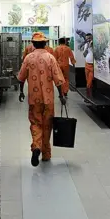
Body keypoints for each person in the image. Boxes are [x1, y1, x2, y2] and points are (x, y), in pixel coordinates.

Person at [17, 32, 66, 167]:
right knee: (47, 125)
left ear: (33, 44)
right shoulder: (50, 58)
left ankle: (36, 147)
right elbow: (59, 80)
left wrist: (21, 92)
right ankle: (45, 154)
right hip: (48, 99)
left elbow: (21, 78)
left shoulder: (28, 58)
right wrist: (61, 96)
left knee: (35, 123)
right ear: (45, 44)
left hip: (34, 99)